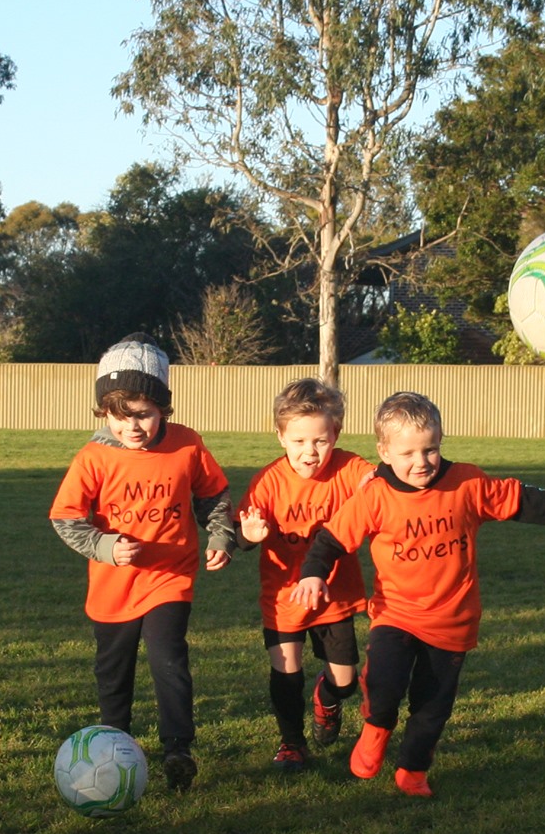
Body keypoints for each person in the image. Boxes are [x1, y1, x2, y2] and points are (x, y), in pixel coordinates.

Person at [293, 391, 545, 798]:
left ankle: (413, 771)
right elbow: (330, 541)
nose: (421, 462)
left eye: (431, 450)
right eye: (408, 453)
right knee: (385, 685)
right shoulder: (374, 496)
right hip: (396, 615)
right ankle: (377, 726)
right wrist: (313, 575)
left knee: (432, 706)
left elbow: (524, 501)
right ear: (384, 451)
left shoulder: (467, 483)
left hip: (453, 621)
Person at [49, 335, 234, 793]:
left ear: (164, 409)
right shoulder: (94, 456)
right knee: (113, 671)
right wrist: (105, 547)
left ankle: (178, 749)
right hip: (113, 586)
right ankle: (114, 745)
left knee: (168, 657)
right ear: (103, 412)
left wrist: (222, 534)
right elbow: (65, 517)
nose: (133, 426)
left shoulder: (188, 445)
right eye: (120, 415)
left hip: (170, 576)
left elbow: (213, 496)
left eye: (144, 414)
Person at [234, 378, 371, 773]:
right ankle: (292, 744)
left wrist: (379, 482)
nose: (309, 453)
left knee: (346, 681)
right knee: (286, 668)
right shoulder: (268, 481)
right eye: (298, 442)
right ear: (280, 437)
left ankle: (326, 698)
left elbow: (378, 484)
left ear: (336, 434)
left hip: (334, 597)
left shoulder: (349, 468)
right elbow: (240, 536)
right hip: (283, 597)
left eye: (320, 441)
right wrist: (249, 535)